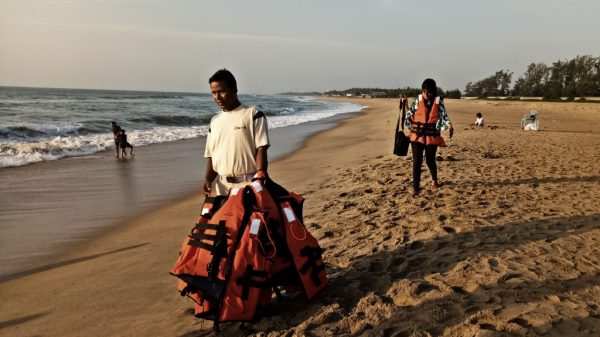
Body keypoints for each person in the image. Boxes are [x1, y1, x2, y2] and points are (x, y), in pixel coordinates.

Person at [202, 69, 270, 196]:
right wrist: (208, 179)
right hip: (221, 188)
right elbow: (212, 155)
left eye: (221, 91)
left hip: (248, 185)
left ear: (234, 89)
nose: (217, 97)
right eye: (213, 93)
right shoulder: (214, 122)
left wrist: (261, 175)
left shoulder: (253, 114)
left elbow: (261, 148)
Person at [405, 78, 454, 196]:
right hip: (417, 136)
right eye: (423, 92)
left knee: (430, 160)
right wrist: (405, 105)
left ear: (433, 91)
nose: (425, 94)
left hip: (432, 136)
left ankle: (434, 180)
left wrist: (450, 126)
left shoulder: (438, 101)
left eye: (428, 92)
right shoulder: (418, 100)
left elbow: (444, 115)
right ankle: (416, 189)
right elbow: (409, 114)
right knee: (416, 161)